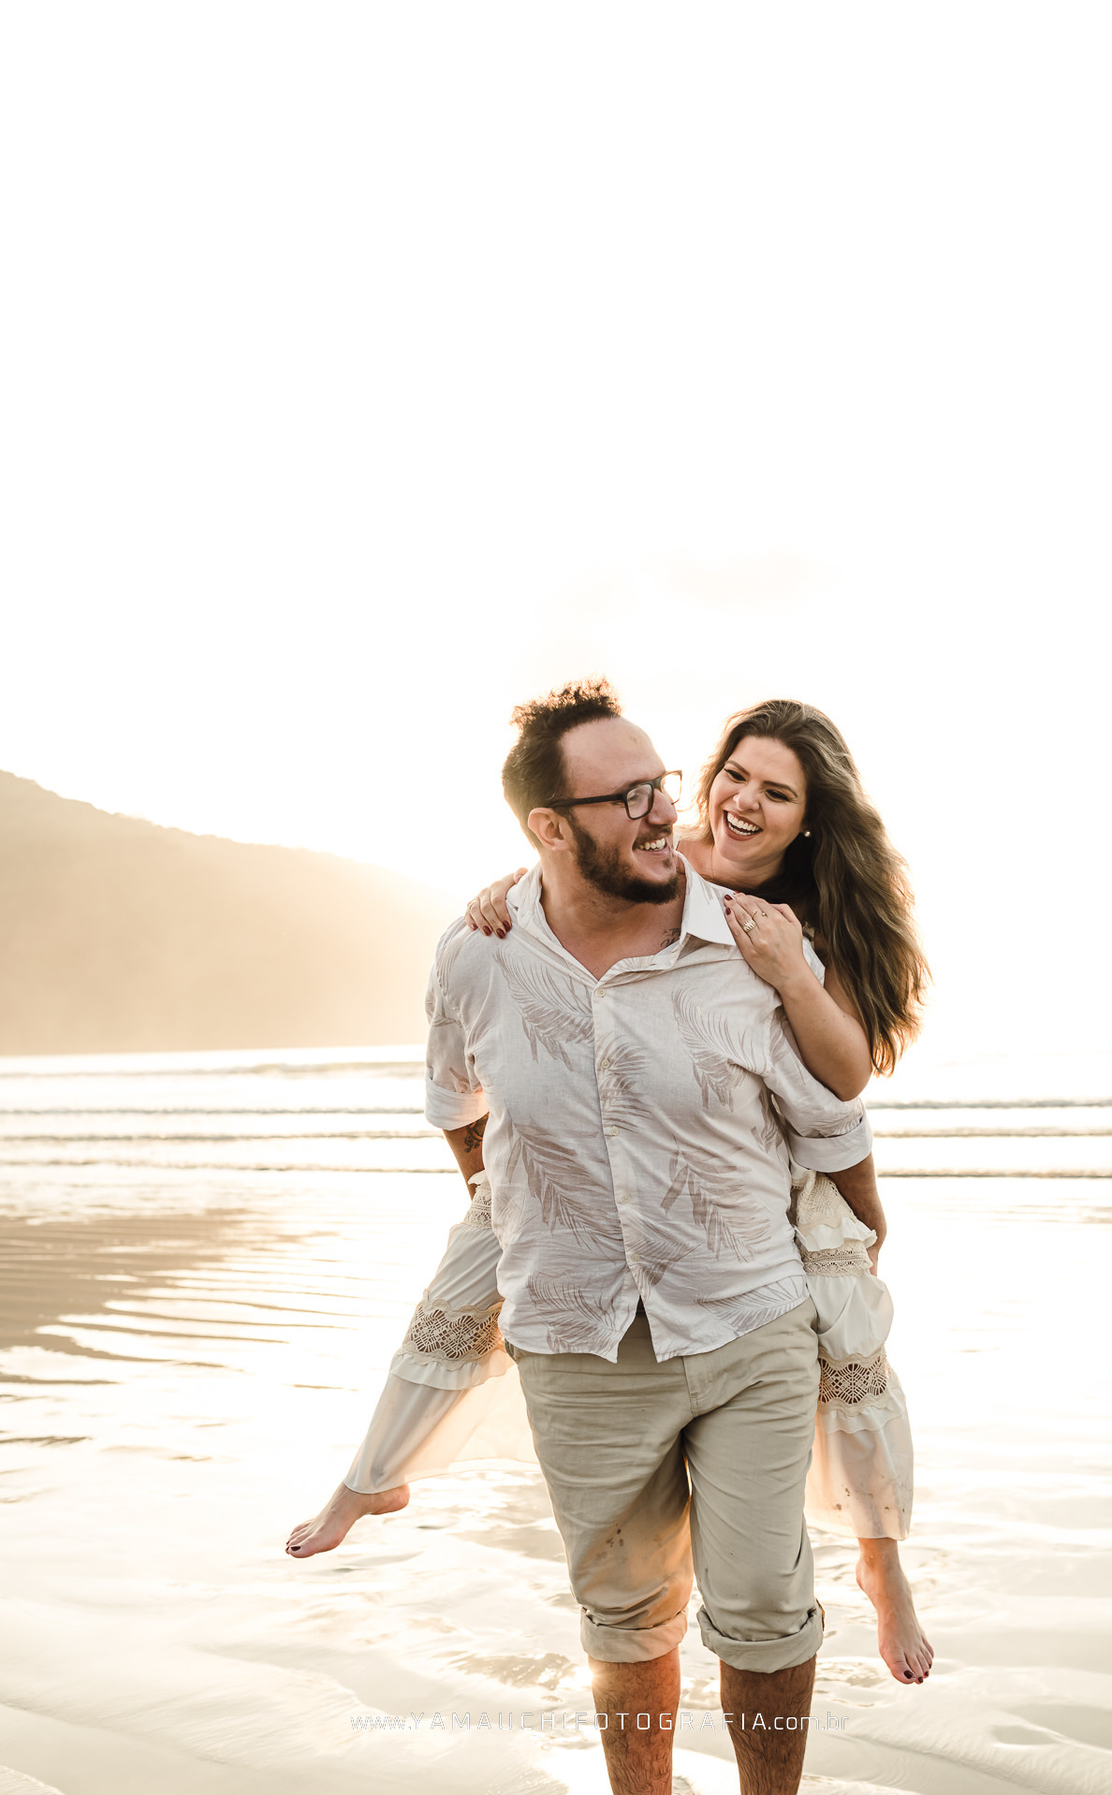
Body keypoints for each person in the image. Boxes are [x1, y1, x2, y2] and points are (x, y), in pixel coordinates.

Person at [288, 680, 899, 1795]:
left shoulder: (753, 945)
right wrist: (519, 1218)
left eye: (662, 783)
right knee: (622, 1620)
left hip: (747, 1324)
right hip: (573, 1343)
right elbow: (455, 1106)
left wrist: (867, 1219)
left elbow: (833, 1102)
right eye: (627, 798)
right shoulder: (476, 952)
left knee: (765, 1610)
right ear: (550, 827)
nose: (667, 811)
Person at [453, 698, 933, 1689]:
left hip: (784, 1177)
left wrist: (787, 974)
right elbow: (573, 872)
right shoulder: (663, 855)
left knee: (856, 1373)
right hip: (673, 1194)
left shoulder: (796, 920)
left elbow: (841, 1089)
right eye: (735, 777)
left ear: (810, 819)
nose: (744, 804)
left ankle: (885, 1570)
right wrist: (502, 890)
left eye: (778, 793)